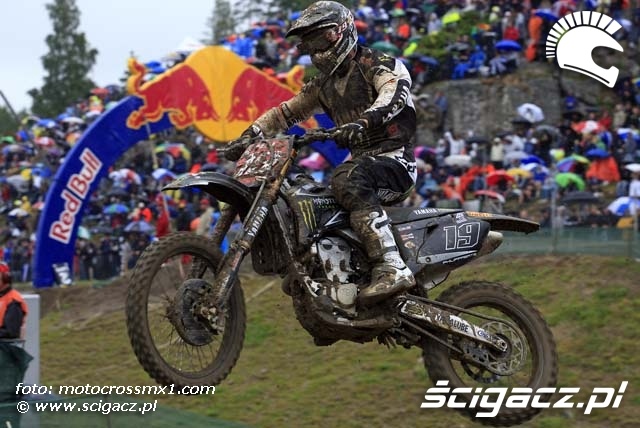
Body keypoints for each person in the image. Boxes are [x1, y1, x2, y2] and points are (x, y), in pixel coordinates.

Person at [225, 1, 417, 303]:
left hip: (396, 161)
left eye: (321, 38)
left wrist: (363, 122)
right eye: (310, 43)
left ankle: (392, 265)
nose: (317, 48)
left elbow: (394, 93)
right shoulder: (322, 85)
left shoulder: (379, 64)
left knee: (347, 179)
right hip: (362, 163)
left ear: (342, 31)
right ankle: (328, 273)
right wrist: (250, 135)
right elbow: (284, 113)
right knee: (306, 196)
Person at [0, 262, 27, 340]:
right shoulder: (2, 297)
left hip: (6, 345)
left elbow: (10, 332)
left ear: (5, 278)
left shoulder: (13, 301)